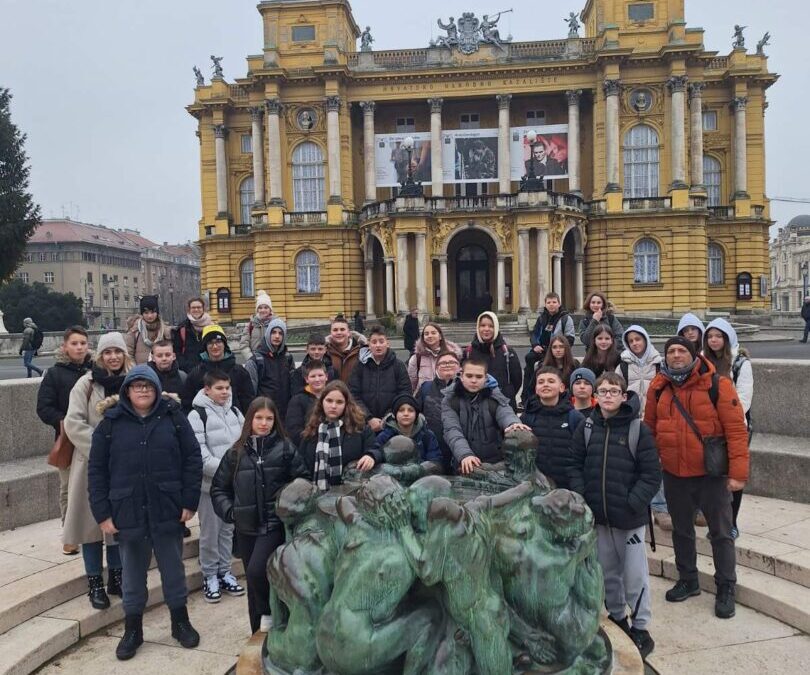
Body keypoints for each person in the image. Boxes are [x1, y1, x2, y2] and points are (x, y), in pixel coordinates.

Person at [87, 365, 203, 660]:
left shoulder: (173, 417)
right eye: (136, 386)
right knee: (133, 575)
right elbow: (96, 471)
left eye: (147, 386)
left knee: (174, 570)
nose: (142, 391)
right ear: (126, 390)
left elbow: (192, 458)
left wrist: (189, 501)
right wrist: (102, 513)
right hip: (127, 510)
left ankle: (180, 622)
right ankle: (133, 630)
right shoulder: (110, 423)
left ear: (156, 389)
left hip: (167, 507)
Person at [645, 336, 750, 619]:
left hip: (710, 474)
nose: (676, 355)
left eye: (682, 351)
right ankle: (688, 579)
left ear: (694, 355)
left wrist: (738, 474)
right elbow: (650, 430)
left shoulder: (718, 384)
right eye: (671, 351)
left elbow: (737, 432)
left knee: (721, 532)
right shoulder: (658, 388)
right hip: (674, 473)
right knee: (681, 530)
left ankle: (726, 586)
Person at [569, 372, 661, 658]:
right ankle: (618, 616)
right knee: (607, 572)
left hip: (629, 518)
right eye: (603, 391)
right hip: (599, 516)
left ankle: (641, 626)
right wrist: (584, 496)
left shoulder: (637, 429)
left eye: (613, 391)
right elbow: (575, 464)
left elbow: (651, 473)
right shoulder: (587, 426)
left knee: (634, 575)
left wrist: (633, 502)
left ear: (624, 396)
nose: (608, 395)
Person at [211, 398, 310, 633]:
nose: (264, 423)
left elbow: (303, 481)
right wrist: (230, 512)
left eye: (269, 418)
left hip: (274, 524)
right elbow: (218, 488)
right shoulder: (236, 453)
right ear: (250, 420)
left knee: (258, 571)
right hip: (246, 527)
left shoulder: (285, 448)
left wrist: (287, 504)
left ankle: (269, 614)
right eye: (259, 418)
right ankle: (257, 630)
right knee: (253, 579)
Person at [63, 332, 131, 610]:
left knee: (116, 522)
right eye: (107, 352)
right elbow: (73, 422)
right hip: (90, 463)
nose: (112, 357)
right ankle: (94, 582)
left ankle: (116, 575)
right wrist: (102, 448)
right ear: (99, 356)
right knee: (90, 525)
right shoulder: (85, 384)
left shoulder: (132, 381)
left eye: (117, 351)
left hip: (123, 465)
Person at [188, 371, 245, 604]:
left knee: (227, 532)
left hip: (233, 486)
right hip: (210, 487)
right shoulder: (197, 415)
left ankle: (225, 571)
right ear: (207, 389)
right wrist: (228, 471)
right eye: (219, 388)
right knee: (210, 533)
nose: (224, 392)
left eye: (227, 388)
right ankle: (210, 575)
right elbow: (199, 455)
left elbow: (245, 442)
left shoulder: (235, 411)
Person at [36, 325, 93, 555]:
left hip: (95, 434)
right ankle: (69, 534)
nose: (79, 347)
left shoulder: (96, 370)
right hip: (68, 439)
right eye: (74, 343)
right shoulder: (54, 374)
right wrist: (65, 421)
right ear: (65, 346)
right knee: (68, 488)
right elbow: (44, 408)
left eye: (83, 343)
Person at [703, 318, 753, 539]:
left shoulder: (740, 362)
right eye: (710, 336)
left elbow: (744, 399)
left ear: (727, 337)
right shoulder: (703, 361)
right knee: (711, 477)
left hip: (734, 427)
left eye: (718, 336)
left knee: (734, 475)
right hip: (708, 428)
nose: (714, 340)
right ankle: (716, 522)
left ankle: (731, 522)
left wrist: (724, 418)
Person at [441, 357, 529, 474]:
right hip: (464, 463)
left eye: (478, 377)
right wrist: (465, 454)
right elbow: (452, 430)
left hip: (495, 463)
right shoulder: (450, 400)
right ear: (461, 376)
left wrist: (513, 424)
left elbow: (505, 412)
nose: (473, 380)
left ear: (486, 378)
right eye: (469, 376)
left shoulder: (494, 396)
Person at [298, 380, 380, 487]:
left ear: (347, 404)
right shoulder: (311, 431)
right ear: (322, 402)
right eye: (329, 400)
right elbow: (301, 465)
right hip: (317, 494)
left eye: (339, 402)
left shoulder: (360, 429)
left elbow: (376, 449)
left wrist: (371, 456)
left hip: (351, 495)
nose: (333, 406)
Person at [520, 366, 584, 489]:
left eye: (551, 381)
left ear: (561, 388)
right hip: (535, 486)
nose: (545, 385)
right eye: (541, 382)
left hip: (566, 487)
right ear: (536, 389)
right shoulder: (527, 418)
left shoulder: (575, 418)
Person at [348, 326, 411, 433]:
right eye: (374, 342)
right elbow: (353, 394)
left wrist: (388, 417)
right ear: (369, 344)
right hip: (365, 424)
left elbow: (404, 393)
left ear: (387, 343)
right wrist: (369, 418)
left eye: (381, 341)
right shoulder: (360, 366)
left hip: (392, 423)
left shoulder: (398, 365)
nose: (378, 345)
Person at [183, 325, 254, 414]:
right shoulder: (196, 374)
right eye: (210, 343)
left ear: (224, 344)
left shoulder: (239, 372)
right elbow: (187, 404)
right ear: (205, 347)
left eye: (218, 342)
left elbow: (249, 402)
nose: (215, 346)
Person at [464, 311, 522, 410]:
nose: (486, 329)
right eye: (482, 325)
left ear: (496, 328)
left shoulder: (507, 351)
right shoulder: (469, 352)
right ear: (478, 328)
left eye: (491, 326)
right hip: (477, 405)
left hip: (503, 405)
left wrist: (507, 393)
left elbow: (517, 380)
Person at [416, 349, 461, 472]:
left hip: (459, 447)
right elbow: (415, 412)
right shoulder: (426, 387)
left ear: (459, 367)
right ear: (436, 368)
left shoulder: (466, 388)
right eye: (443, 363)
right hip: (433, 448)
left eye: (452, 362)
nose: (447, 365)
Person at [244, 318, 295, 419]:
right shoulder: (256, 361)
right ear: (268, 334)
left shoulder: (288, 358)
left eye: (280, 333)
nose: (277, 336)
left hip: (285, 416)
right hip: (265, 416)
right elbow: (250, 394)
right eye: (274, 332)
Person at [523, 292, 575, 390]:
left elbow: (570, 339)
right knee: (529, 358)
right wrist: (535, 345)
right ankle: (526, 394)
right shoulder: (542, 318)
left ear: (559, 304)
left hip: (556, 350)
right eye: (549, 302)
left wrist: (558, 347)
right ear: (545, 304)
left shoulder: (566, 319)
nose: (551, 304)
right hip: (542, 349)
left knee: (541, 367)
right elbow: (534, 334)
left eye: (554, 302)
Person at [371, 394, 443, 464]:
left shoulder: (427, 435)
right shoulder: (385, 435)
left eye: (410, 410)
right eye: (401, 410)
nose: (406, 414)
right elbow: (376, 452)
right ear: (395, 414)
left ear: (416, 414)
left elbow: (435, 461)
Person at [616, 325, 662, 412]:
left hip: (654, 414)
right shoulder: (623, 367)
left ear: (645, 340)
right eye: (631, 341)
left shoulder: (658, 364)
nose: (634, 343)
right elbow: (617, 391)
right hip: (631, 414)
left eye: (638, 339)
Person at [407, 322, 462, 393]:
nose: (430, 336)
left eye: (433, 333)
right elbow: (411, 383)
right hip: (424, 397)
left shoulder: (453, 356)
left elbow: (459, 378)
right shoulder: (417, 358)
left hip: (449, 397)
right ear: (423, 337)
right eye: (426, 334)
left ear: (440, 336)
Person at [285, 360, 329, 446]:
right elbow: (293, 430)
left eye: (320, 375)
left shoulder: (334, 396)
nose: (317, 379)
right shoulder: (297, 400)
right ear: (306, 379)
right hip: (308, 446)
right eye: (313, 376)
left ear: (326, 376)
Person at [125, 295, 173, 365]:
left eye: (152, 312)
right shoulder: (135, 331)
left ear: (157, 313)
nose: (149, 316)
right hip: (141, 372)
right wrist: (136, 370)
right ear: (142, 314)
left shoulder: (165, 332)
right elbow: (129, 355)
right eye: (146, 313)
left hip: (161, 372)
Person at [172, 297, 213, 373]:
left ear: (203, 309)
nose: (196, 310)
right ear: (189, 310)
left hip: (209, 370)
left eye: (199, 307)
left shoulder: (212, 327)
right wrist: (185, 366)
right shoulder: (182, 328)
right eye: (193, 308)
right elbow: (177, 351)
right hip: (188, 371)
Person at [325, 316, 367, 382]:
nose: (339, 333)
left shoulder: (361, 351)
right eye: (335, 330)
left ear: (348, 333)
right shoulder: (323, 352)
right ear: (331, 333)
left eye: (342, 329)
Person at [242, 290, 274, 357]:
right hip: (255, 362)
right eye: (260, 308)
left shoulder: (275, 324)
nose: (263, 310)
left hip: (271, 362)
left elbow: (281, 345)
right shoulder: (250, 325)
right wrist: (251, 359)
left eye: (266, 307)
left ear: (270, 309)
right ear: (257, 310)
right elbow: (244, 345)